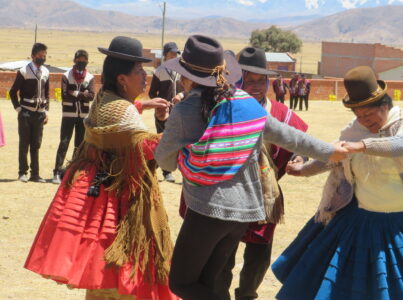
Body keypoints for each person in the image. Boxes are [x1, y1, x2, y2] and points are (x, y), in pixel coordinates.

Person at [154, 34, 348, 300]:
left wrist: (190, 155)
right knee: (207, 282)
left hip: (207, 210)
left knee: (182, 284)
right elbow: (289, 136)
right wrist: (330, 151)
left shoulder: (186, 110)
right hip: (244, 211)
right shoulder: (245, 104)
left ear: (188, 77)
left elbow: (164, 161)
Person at [24, 36, 178, 300]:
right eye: (139, 71)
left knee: (100, 270)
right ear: (122, 79)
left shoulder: (102, 99)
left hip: (96, 192)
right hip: (117, 199)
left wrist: (144, 104)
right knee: (121, 267)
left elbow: (116, 119)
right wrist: (178, 129)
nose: (145, 77)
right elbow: (145, 148)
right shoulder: (124, 112)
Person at [272, 66, 403, 300]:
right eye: (358, 116)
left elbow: (402, 145)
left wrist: (362, 146)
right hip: (359, 221)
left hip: (402, 223)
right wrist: (303, 171)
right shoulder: (355, 131)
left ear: (384, 105)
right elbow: (334, 156)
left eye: (369, 115)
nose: (364, 121)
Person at [214, 47, 309, 300]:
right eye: (249, 81)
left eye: (261, 81)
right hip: (229, 197)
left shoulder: (282, 115)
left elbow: (303, 144)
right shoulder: (224, 110)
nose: (256, 87)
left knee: (258, 257)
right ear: (237, 81)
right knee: (223, 255)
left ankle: (247, 294)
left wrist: (301, 157)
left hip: (264, 198)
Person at [52, 49, 95, 184]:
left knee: (79, 144)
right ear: (75, 60)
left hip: (83, 115)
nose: (81, 62)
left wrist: (76, 93)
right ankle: (57, 172)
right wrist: (84, 93)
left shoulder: (90, 77)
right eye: (79, 59)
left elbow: (92, 96)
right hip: (68, 114)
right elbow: (64, 94)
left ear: (87, 61)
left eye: (84, 60)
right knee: (64, 142)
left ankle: (73, 171)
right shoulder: (66, 76)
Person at [10, 43, 49, 183]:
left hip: (39, 114)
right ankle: (22, 172)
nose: (42, 58)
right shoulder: (24, 71)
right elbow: (12, 92)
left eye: (44, 56)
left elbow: (47, 93)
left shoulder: (46, 72)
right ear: (33, 56)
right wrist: (19, 109)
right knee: (24, 143)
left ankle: (35, 174)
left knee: (36, 144)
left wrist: (46, 111)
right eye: (40, 56)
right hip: (26, 113)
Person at [148, 42, 183, 183]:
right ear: (165, 55)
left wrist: (181, 97)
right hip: (163, 113)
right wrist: (160, 103)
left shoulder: (181, 71)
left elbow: (186, 89)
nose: (175, 56)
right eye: (172, 53)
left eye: (176, 54)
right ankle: (166, 172)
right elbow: (151, 93)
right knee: (163, 141)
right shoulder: (159, 71)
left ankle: (180, 168)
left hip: (179, 112)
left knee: (179, 140)